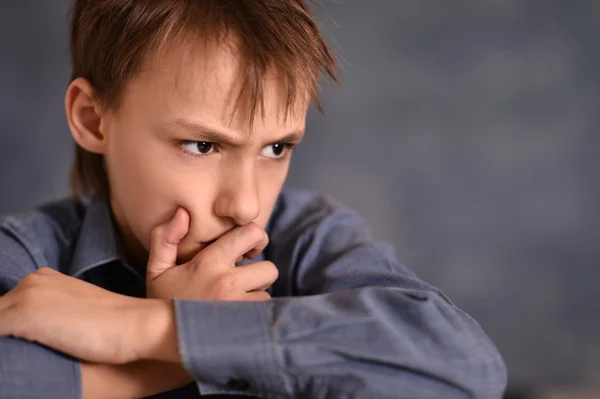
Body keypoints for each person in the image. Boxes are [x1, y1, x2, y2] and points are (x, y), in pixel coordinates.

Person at [0, 1, 507, 398]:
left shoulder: (307, 234)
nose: (244, 206)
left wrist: (151, 327)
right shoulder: (23, 256)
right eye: (202, 145)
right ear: (93, 119)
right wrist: (181, 358)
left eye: (276, 148)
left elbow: (465, 367)